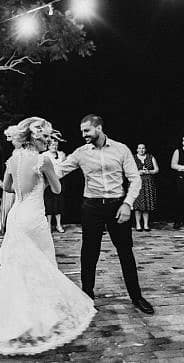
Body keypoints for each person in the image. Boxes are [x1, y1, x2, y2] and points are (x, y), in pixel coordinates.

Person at [0, 117, 96, 356]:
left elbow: (8, 187)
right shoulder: (42, 160)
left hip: (16, 216)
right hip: (34, 218)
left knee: (16, 268)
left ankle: (16, 319)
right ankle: (40, 319)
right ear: (38, 139)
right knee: (43, 267)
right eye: (46, 138)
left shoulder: (13, 159)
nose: (48, 142)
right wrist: (46, 176)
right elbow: (57, 189)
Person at [59, 114, 154, 315]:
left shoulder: (121, 149)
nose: (83, 134)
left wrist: (128, 204)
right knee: (89, 253)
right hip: (91, 207)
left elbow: (135, 179)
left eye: (87, 130)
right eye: (82, 131)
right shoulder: (80, 153)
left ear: (99, 128)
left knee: (126, 252)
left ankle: (136, 296)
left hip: (117, 205)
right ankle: (87, 296)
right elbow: (59, 171)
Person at [0, 126, 21, 234]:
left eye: (10, 137)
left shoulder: (21, 151)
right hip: (10, 181)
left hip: (18, 181)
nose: (9, 140)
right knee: (9, 206)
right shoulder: (12, 150)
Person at [133, 143, 159, 232]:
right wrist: (138, 172)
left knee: (146, 205)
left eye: (143, 148)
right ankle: (138, 224)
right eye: (139, 148)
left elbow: (156, 170)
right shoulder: (133, 158)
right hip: (137, 183)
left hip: (148, 183)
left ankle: (146, 224)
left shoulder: (150, 157)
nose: (141, 150)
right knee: (137, 205)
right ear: (137, 149)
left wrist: (149, 171)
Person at [44, 140, 66, 233]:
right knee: (49, 202)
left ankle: (58, 224)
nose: (54, 147)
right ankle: (48, 225)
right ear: (48, 146)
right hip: (48, 181)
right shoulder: (45, 155)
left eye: (56, 145)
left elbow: (65, 167)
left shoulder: (61, 154)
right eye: (52, 145)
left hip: (59, 181)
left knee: (58, 202)